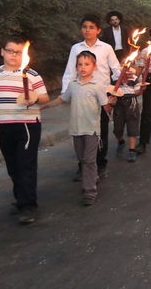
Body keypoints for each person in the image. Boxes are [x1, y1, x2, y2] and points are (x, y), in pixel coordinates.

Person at [0, 37, 50, 224]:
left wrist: (34, 99)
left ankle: (28, 206)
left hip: (27, 126)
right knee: (12, 166)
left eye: (18, 52)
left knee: (25, 165)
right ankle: (21, 199)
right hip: (4, 127)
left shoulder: (32, 74)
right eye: (10, 50)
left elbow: (45, 98)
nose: (13, 55)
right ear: (2, 51)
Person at [41, 51, 112, 207]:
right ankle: (92, 178)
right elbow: (62, 99)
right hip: (76, 130)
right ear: (76, 67)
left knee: (89, 160)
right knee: (82, 159)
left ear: (94, 67)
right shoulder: (72, 85)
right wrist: (45, 105)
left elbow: (105, 104)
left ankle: (90, 191)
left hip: (92, 130)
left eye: (87, 64)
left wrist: (113, 101)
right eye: (80, 64)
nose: (83, 67)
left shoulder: (98, 86)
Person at [61, 15, 120, 179]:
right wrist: (66, 92)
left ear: (98, 30)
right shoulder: (76, 48)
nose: (87, 30)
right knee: (82, 131)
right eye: (85, 27)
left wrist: (124, 77)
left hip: (101, 95)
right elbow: (70, 72)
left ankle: (101, 164)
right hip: (81, 95)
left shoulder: (106, 48)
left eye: (91, 27)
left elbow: (116, 68)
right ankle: (83, 166)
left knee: (99, 131)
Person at [110, 56, 144, 163]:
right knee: (117, 129)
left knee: (132, 126)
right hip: (119, 103)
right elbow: (110, 89)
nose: (126, 66)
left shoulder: (135, 77)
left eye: (128, 64)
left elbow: (137, 92)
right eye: (123, 64)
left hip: (131, 103)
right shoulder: (115, 76)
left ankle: (132, 150)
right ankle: (121, 141)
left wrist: (142, 89)